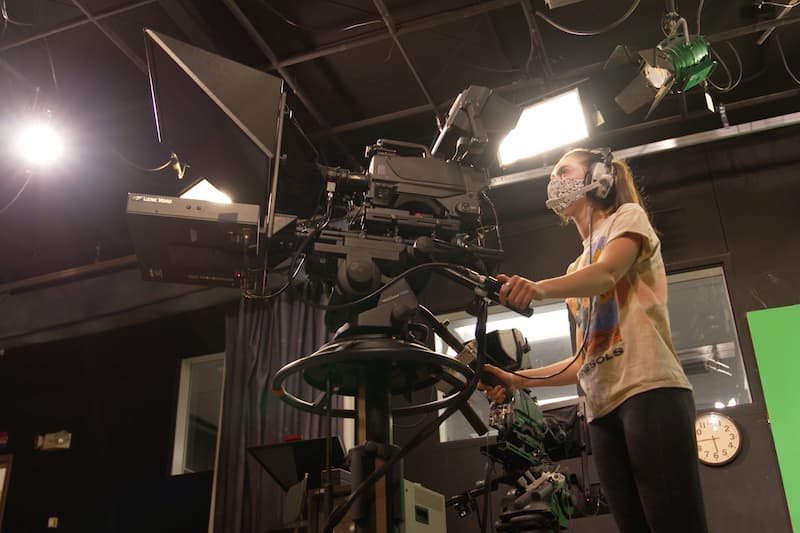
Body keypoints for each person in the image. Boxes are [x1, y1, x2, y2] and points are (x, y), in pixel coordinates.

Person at [479, 148, 708, 533]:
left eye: (564, 170)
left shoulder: (626, 218)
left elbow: (606, 274)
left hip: (649, 391)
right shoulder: (573, 270)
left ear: (598, 177)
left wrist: (536, 289)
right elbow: (583, 359)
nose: (555, 180)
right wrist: (518, 381)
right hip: (600, 412)